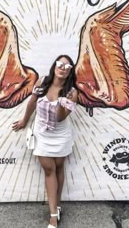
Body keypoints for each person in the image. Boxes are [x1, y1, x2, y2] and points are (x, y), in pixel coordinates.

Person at [12, 55, 78, 228]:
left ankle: (58, 205)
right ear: (54, 65)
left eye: (67, 66)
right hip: (41, 134)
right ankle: (53, 216)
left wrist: (62, 106)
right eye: (59, 64)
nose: (62, 67)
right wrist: (25, 120)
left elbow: (59, 119)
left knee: (59, 168)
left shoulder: (71, 93)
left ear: (70, 71)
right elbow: (32, 102)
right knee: (49, 170)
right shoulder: (42, 82)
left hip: (60, 134)